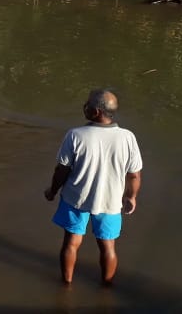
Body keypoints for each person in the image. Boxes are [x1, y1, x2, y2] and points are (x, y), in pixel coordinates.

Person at [44, 89, 142, 285]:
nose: (85, 107)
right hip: (110, 201)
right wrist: (131, 196)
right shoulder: (127, 137)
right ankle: (107, 286)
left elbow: (61, 170)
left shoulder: (76, 135)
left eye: (87, 105)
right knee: (108, 246)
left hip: (76, 199)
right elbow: (134, 174)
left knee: (71, 243)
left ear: (96, 112)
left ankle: (67, 284)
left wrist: (52, 191)